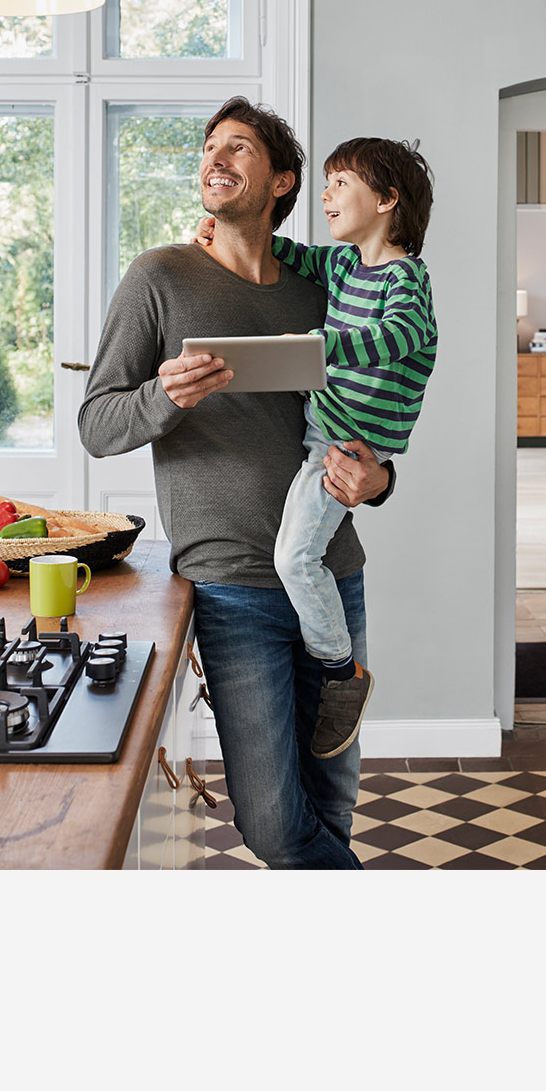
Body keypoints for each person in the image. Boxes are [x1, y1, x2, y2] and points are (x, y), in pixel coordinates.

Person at [77, 96, 394, 870]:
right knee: (276, 825)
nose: (216, 157)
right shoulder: (160, 276)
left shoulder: (322, 289)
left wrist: (379, 481)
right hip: (230, 591)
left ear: (283, 181)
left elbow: (368, 414)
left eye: (240, 148)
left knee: (331, 808)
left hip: (331, 574)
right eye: (210, 146)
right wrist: (165, 395)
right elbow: (97, 424)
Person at [194, 137, 436, 762]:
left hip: (341, 449)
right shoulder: (344, 266)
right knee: (299, 559)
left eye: (340, 184)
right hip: (327, 439)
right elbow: (290, 252)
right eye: (324, 183)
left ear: (386, 200)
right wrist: (218, 235)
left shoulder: (406, 279)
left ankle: (340, 674)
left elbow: (404, 335)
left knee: (296, 561)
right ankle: (336, 668)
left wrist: (319, 349)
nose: (324, 196)